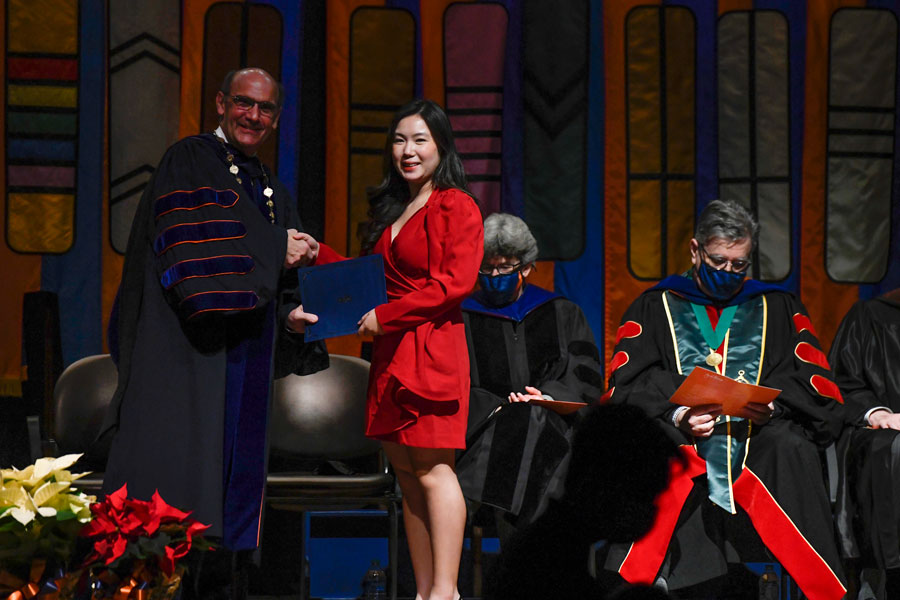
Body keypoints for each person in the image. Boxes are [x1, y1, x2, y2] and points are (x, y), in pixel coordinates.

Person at [99, 68, 327, 586]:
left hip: (241, 357)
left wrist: (289, 312)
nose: (253, 116)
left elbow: (266, 278)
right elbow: (201, 251)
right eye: (243, 103)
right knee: (176, 493)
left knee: (226, 507)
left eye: (265, 109)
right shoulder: (191, 159)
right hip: (186, 353)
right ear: (221, 103)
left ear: (276, 117)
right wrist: (277, 249)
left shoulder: (268, 185)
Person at [602, 200, 847, 600]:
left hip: (759, 440)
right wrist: (678, 413)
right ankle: (652, 582)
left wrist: (775, 406)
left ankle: (817, 588)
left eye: (739, 265)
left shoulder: (777, 306)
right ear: (696, 250)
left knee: (791, 447)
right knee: (655, 452)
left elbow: (812, 383)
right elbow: (627, 385)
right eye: (718, 262)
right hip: (681, 435)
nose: (728, 273)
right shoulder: (656, 305)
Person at [309, 99, 483, 600]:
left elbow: (454, 283)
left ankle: (445, 592)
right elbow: (372, 284)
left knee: (434, 471)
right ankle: (424, 590)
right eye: (399, 140)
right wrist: (317, 252)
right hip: (391, 354)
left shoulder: (454, 203)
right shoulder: (397, 211)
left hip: (429, 348)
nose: (407, 151)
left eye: (420, 140)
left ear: (442, 145)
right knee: (408, 480)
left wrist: (385, 317)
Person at [454, 212, 604, 547]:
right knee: (526, 428)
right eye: (487, 268)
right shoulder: (461, 316)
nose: (494, 275)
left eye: (504, 267)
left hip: (552, 426)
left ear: (525, 267)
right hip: (482, 432)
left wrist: (548, 397)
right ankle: (535, 565)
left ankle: (519, 564)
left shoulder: (562, 312)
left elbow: (586, 377)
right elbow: (452, 382)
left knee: (536, 423)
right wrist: (499, 409)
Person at [485, 404, 677, 600]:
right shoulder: (547, 563)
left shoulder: (553, 546)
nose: (652, 508)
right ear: (612, 487)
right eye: (647, 494)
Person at [829, 289, 900, 599]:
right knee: (890, 448)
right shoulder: (873, 315)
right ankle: (885, 577)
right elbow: (843, 381)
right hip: (889, 430)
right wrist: (879, 412)